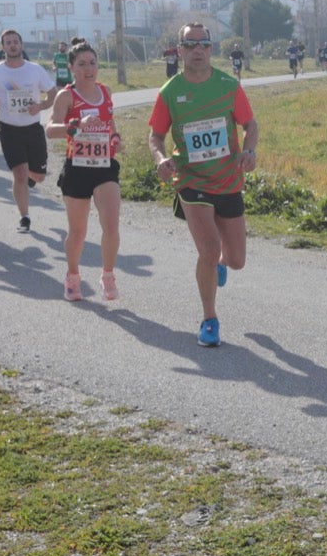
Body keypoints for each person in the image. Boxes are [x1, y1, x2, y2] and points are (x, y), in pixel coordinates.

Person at [148, 23, 260, 348]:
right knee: (208, 249)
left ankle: (220, 264)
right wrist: (159, 159)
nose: (198, 50)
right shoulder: (170, 92)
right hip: (191, 180)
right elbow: (155, 135)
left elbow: (250, 124)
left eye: (204, 44)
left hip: (227, 179)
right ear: (179, 50)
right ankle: (210, 319)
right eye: (190, 44)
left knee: (236, 260)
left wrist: (249, 150)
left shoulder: (228, 85)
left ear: (212, 49)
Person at [46, 38, 124, 302]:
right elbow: (50, 129)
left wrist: (115, 138)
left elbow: (110, 123)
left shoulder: (106, 91)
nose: (89, 69)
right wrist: (76, 124)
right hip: (77, 168)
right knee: (78, 232)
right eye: (82, 64)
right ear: (71, 67)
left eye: (92, 63)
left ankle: (108, 275)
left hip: (104, 166)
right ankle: (73, 275)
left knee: (111, 224)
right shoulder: (66, 95)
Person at [0, 29, 57, 233]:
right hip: (9, 130)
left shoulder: (35, 70)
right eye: (8, 42)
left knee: (38, 176)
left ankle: (33, 180)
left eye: (16, 41)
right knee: (20, 174)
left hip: (33, 129)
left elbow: (53, 93)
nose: (12, 45)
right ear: (3, 47)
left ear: (21, 45)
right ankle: (24, 217)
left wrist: (40, 106)